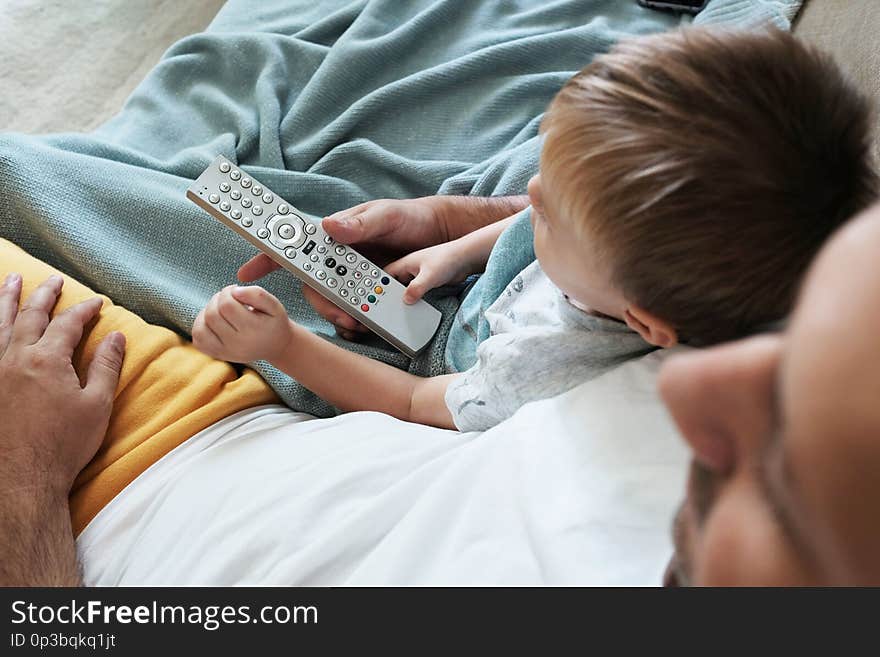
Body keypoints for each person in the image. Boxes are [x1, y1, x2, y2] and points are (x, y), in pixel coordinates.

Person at [192, 28, 877, 432]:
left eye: (551, 211)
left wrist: (282, 343)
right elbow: (534, 210)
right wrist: (455, 245)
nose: (530, 192)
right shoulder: (620, 250)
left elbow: (407, 399)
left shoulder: (538, 367)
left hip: (452, 355)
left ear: (643, 324)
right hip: (481, 282)